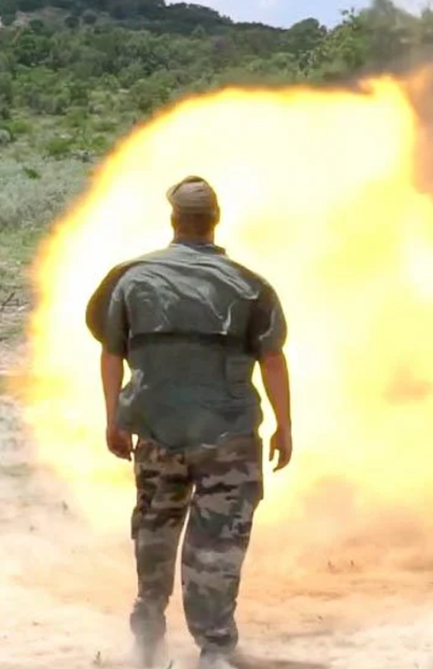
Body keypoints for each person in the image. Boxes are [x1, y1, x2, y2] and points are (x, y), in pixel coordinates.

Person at [84, 175, 293, 669]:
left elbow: (111, 351)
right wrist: (285, 426)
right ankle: (215, 649)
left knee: (155, 529)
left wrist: (114, 417)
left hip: (157, 430)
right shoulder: (249, 285)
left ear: (174, 222)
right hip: (229, 435)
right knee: (217, 541)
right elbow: (273, 359)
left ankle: (147, 637)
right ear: (214, 222)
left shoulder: (131, 278)